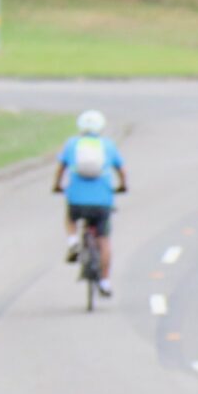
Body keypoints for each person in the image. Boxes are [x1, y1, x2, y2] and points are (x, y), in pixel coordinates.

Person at [54, 109, 127, 297]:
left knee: (71, 218)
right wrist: (122, 186)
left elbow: (61, 169)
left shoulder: (72, 144)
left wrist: (57, 186)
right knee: (104, 240)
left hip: (76, 198)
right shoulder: (108, 146)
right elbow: (122, 171)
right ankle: (104, 281)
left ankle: (72, 242)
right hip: (102, 201)